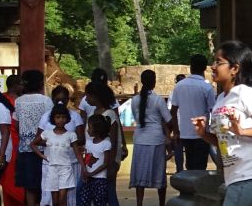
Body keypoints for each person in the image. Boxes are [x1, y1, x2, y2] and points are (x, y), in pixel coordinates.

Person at [193, 41, 252, 206]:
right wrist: (203, 134)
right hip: (240, 177)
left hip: (251, 176)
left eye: (219, 62)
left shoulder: (244, 94)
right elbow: (224, 142)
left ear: (234, 69)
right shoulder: (221, 99)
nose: (213, 66)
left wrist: (243, 131)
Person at [127, 71, 171, 206]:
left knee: (140, 174)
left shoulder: (134, 100)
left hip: (140, 139)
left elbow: (136, 118)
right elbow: (168, 120)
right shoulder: (158, 100)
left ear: (141, 81)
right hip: (156, 139)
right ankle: (161, 203)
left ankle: (139, 203)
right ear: (154, 82)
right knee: (159, 174)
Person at [35, 87, 83, 206]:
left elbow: (81, 139)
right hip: (50, 164)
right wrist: (50, 142)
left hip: (70, 164)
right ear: (52, 99)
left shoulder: (75, 116)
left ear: (68, 99)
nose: (60, 102)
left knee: (69, 198)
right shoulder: (46, 116)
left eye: (63, 99)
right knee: (50, 198)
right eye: (57, 100)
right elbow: (37, 140)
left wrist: (66, 141)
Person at [169, 56, 214, 172]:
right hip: (202, 134)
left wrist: (176, 131)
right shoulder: (207, 87)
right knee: (200, 167)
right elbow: (213, 111)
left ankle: (189, 190)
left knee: (189, 165)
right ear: (204, 68)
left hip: (184, 134)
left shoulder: (179, 86)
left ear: (190, 67)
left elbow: (173, 111)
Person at [14, 71, 52, 206]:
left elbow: (17, 125)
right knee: (45, 183)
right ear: (40, 83)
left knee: (29, 187)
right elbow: (51, 123)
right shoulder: (46, 101)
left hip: (25, 148)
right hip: (44, 147)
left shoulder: (18, 101)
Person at [82, 85, 120, 206]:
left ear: (96, 97)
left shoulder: (109, 114)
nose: (86, 98)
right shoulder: (94, 112)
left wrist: (111, 165)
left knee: (109, 194)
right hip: (92, 160)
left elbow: (113, 142)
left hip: (105, 162)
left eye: (88, 95)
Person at [76, 115, 111, 206]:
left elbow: (106, 163)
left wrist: (92, 173)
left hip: (100, 179)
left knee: (99, 202)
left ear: (97, 129)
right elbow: (86, 159)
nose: (87, 130)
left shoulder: (106, 143)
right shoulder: (88, 142)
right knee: (84, 201)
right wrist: (84, 171)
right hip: (88, 178)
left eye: (90, 127)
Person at [2, 75, 26, 206]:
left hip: (20, 140)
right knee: (8, 175)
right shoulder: (2, 99)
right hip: (6, 140)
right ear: (14, 85)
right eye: (21, 84)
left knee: (18, 173)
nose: (23, 87)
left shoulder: (23, 100)